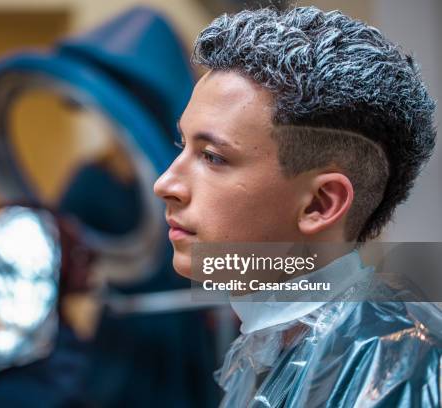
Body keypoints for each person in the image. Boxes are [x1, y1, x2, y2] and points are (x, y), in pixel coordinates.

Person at [153, 6, 440, 407]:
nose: (165, 184)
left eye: (213, 156)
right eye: (181, 146)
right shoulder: (273, 345)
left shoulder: (394, 367)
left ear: (320, 203)